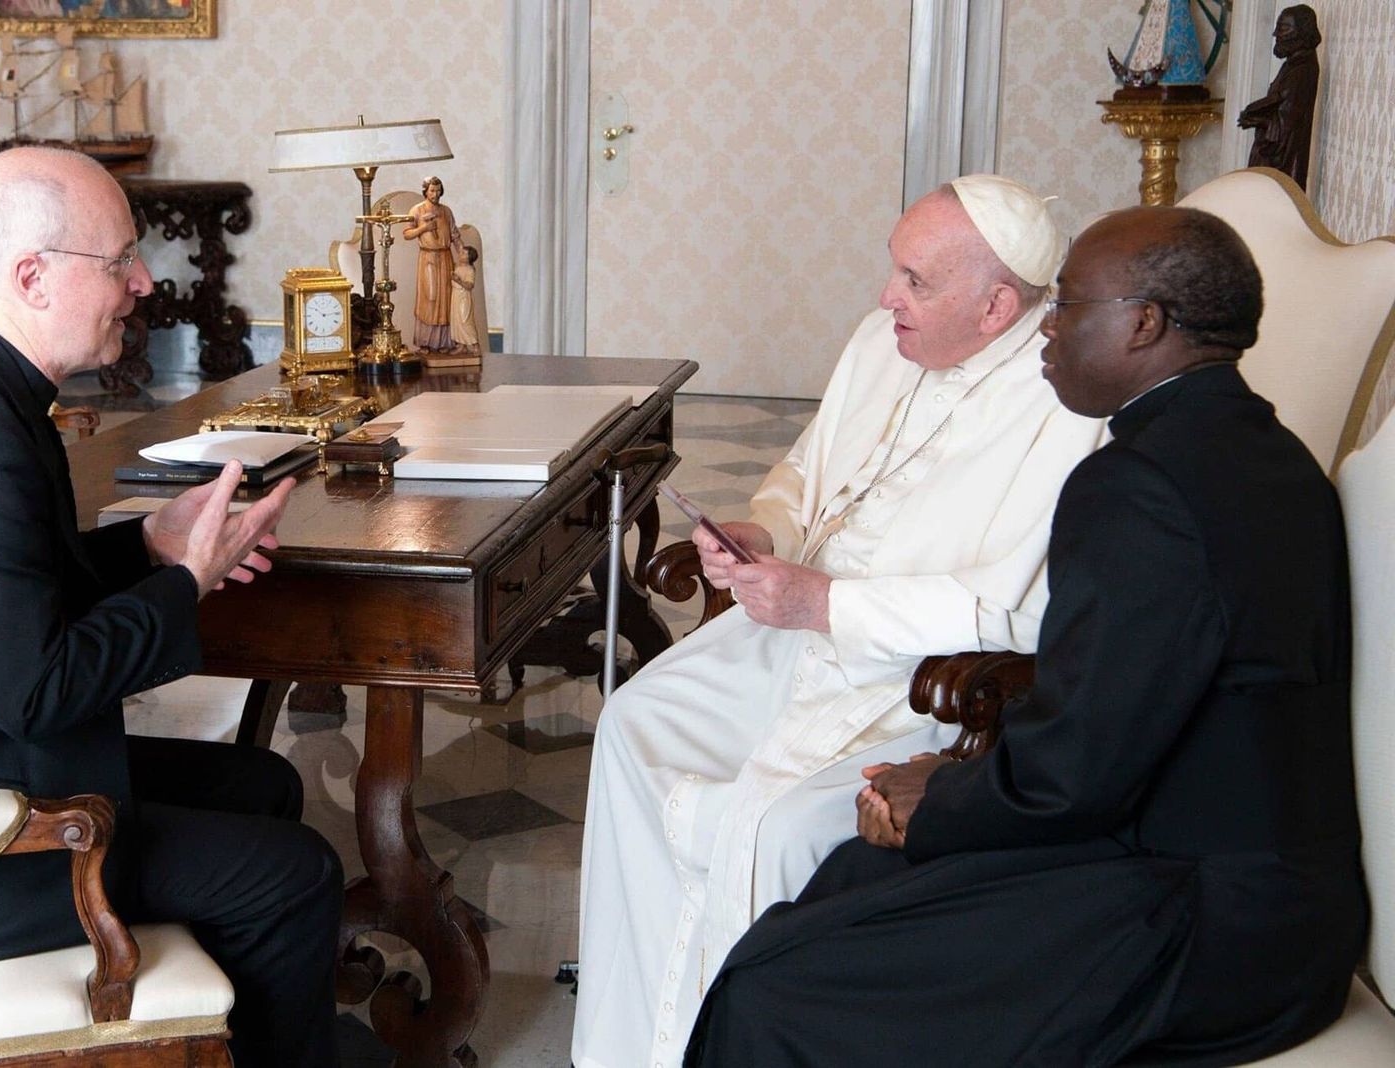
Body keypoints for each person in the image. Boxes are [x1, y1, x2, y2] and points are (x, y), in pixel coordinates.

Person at [683, 206, 1367, 1066]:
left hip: (1212, 921)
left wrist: (937, 796)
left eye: (1071, 305)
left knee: (776, 987)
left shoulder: (1139, 486)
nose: (1047, 327)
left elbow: (1081, 771)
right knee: (845, 885)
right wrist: (945, 779)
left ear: (1144, 323)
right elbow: (1111, 725)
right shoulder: (1257, 448)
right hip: (1216, 866)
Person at [0, 147, 345, 1068]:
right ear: (32, 277)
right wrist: (188, 582)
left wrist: (148, 546)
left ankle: (249, 1041)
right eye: (119, 260)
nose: (142, 283)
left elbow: (13, 590)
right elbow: (41, 688)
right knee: (299, 876)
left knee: (267, 787)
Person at [572, 176, 1108, 1068]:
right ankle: (630, 1046)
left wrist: (827, 605)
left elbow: (1013, 607)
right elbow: (803, 468)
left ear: (997, 306)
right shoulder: (878, 343)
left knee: (777, 823)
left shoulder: (1062, 402)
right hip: (791, 626)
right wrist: (763, 530)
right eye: (892, 269)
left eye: (915, 281)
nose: (884, 297)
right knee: (632, 721)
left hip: (908, 672)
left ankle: (734, 1041)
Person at [1238, 5, 1322, 189]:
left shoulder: (1302, 71)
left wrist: (1259, 120)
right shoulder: (1293, 65)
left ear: (1302, 32)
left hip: (1282, 170)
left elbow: (1288, 126)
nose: (1276, 34)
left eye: (1284, 28)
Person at [402, 175, 464, 351]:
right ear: (425, 191)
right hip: (428, 258)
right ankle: (426, 342)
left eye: (438, 190)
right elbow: (406, 234)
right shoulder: (417, 210)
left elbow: (455, 235)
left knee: (446, 298)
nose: (435, 194)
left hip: (445, 258)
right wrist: (423, 228)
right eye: (432, 190)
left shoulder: (446, 211)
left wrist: (462, 255)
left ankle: (444, 342)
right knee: (430, 297)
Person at [450, 244, 481, 354]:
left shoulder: (470, 270)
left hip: (463, 298)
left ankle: (475, 345)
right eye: (461, 252)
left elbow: (469, 286)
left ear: (469, 258)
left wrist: (458, 280)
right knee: (456, 321)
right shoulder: (458, 267)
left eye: (464, 253)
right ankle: (461, 345)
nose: (460, 254)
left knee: (465, 321)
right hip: (456, 297)